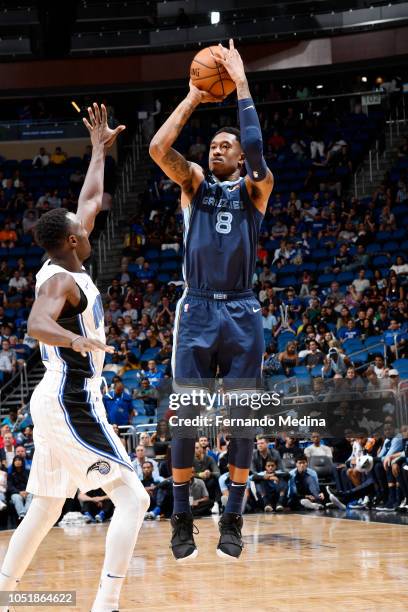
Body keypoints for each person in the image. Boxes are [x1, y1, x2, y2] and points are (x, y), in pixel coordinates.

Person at [0, 103, 150, 612]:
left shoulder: (62, 259)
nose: (90, 224)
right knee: (134, 497)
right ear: (71, 240)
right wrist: (76, 341)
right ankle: (106, 605)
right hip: (69, 395)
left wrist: (99, 150)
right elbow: (36, 324)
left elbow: (88, 198)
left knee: (44, 506)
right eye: (82, 228)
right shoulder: (61, 279)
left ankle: (5, 593)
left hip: (57, 397)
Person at [150, 39, 273, 561]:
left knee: (243, 419)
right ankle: (181, 514)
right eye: (213, 144)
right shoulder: (194, 185)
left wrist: (241, 83)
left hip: (242, 309)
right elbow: (159, 150)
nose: (216, 148)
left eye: (227, 143)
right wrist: (195, 97)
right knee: (187, 416)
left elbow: (258, 150)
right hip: (197, 308)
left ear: (241, 154)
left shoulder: (256, 187)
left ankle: (233, 517)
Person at [7, 456, 32, 523]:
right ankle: (22, 515)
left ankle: (26, 515)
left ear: (22, 462)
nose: (17, 462)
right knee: (16, 497)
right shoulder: (10, 474)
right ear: (13, 462)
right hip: (16, 493)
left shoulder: (28, 472)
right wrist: (19, 492)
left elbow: (31, 483)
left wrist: (27, 491)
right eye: (16, 460)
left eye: (19, 460)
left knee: (31, 496)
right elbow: (10, 487)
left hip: (27, 492)